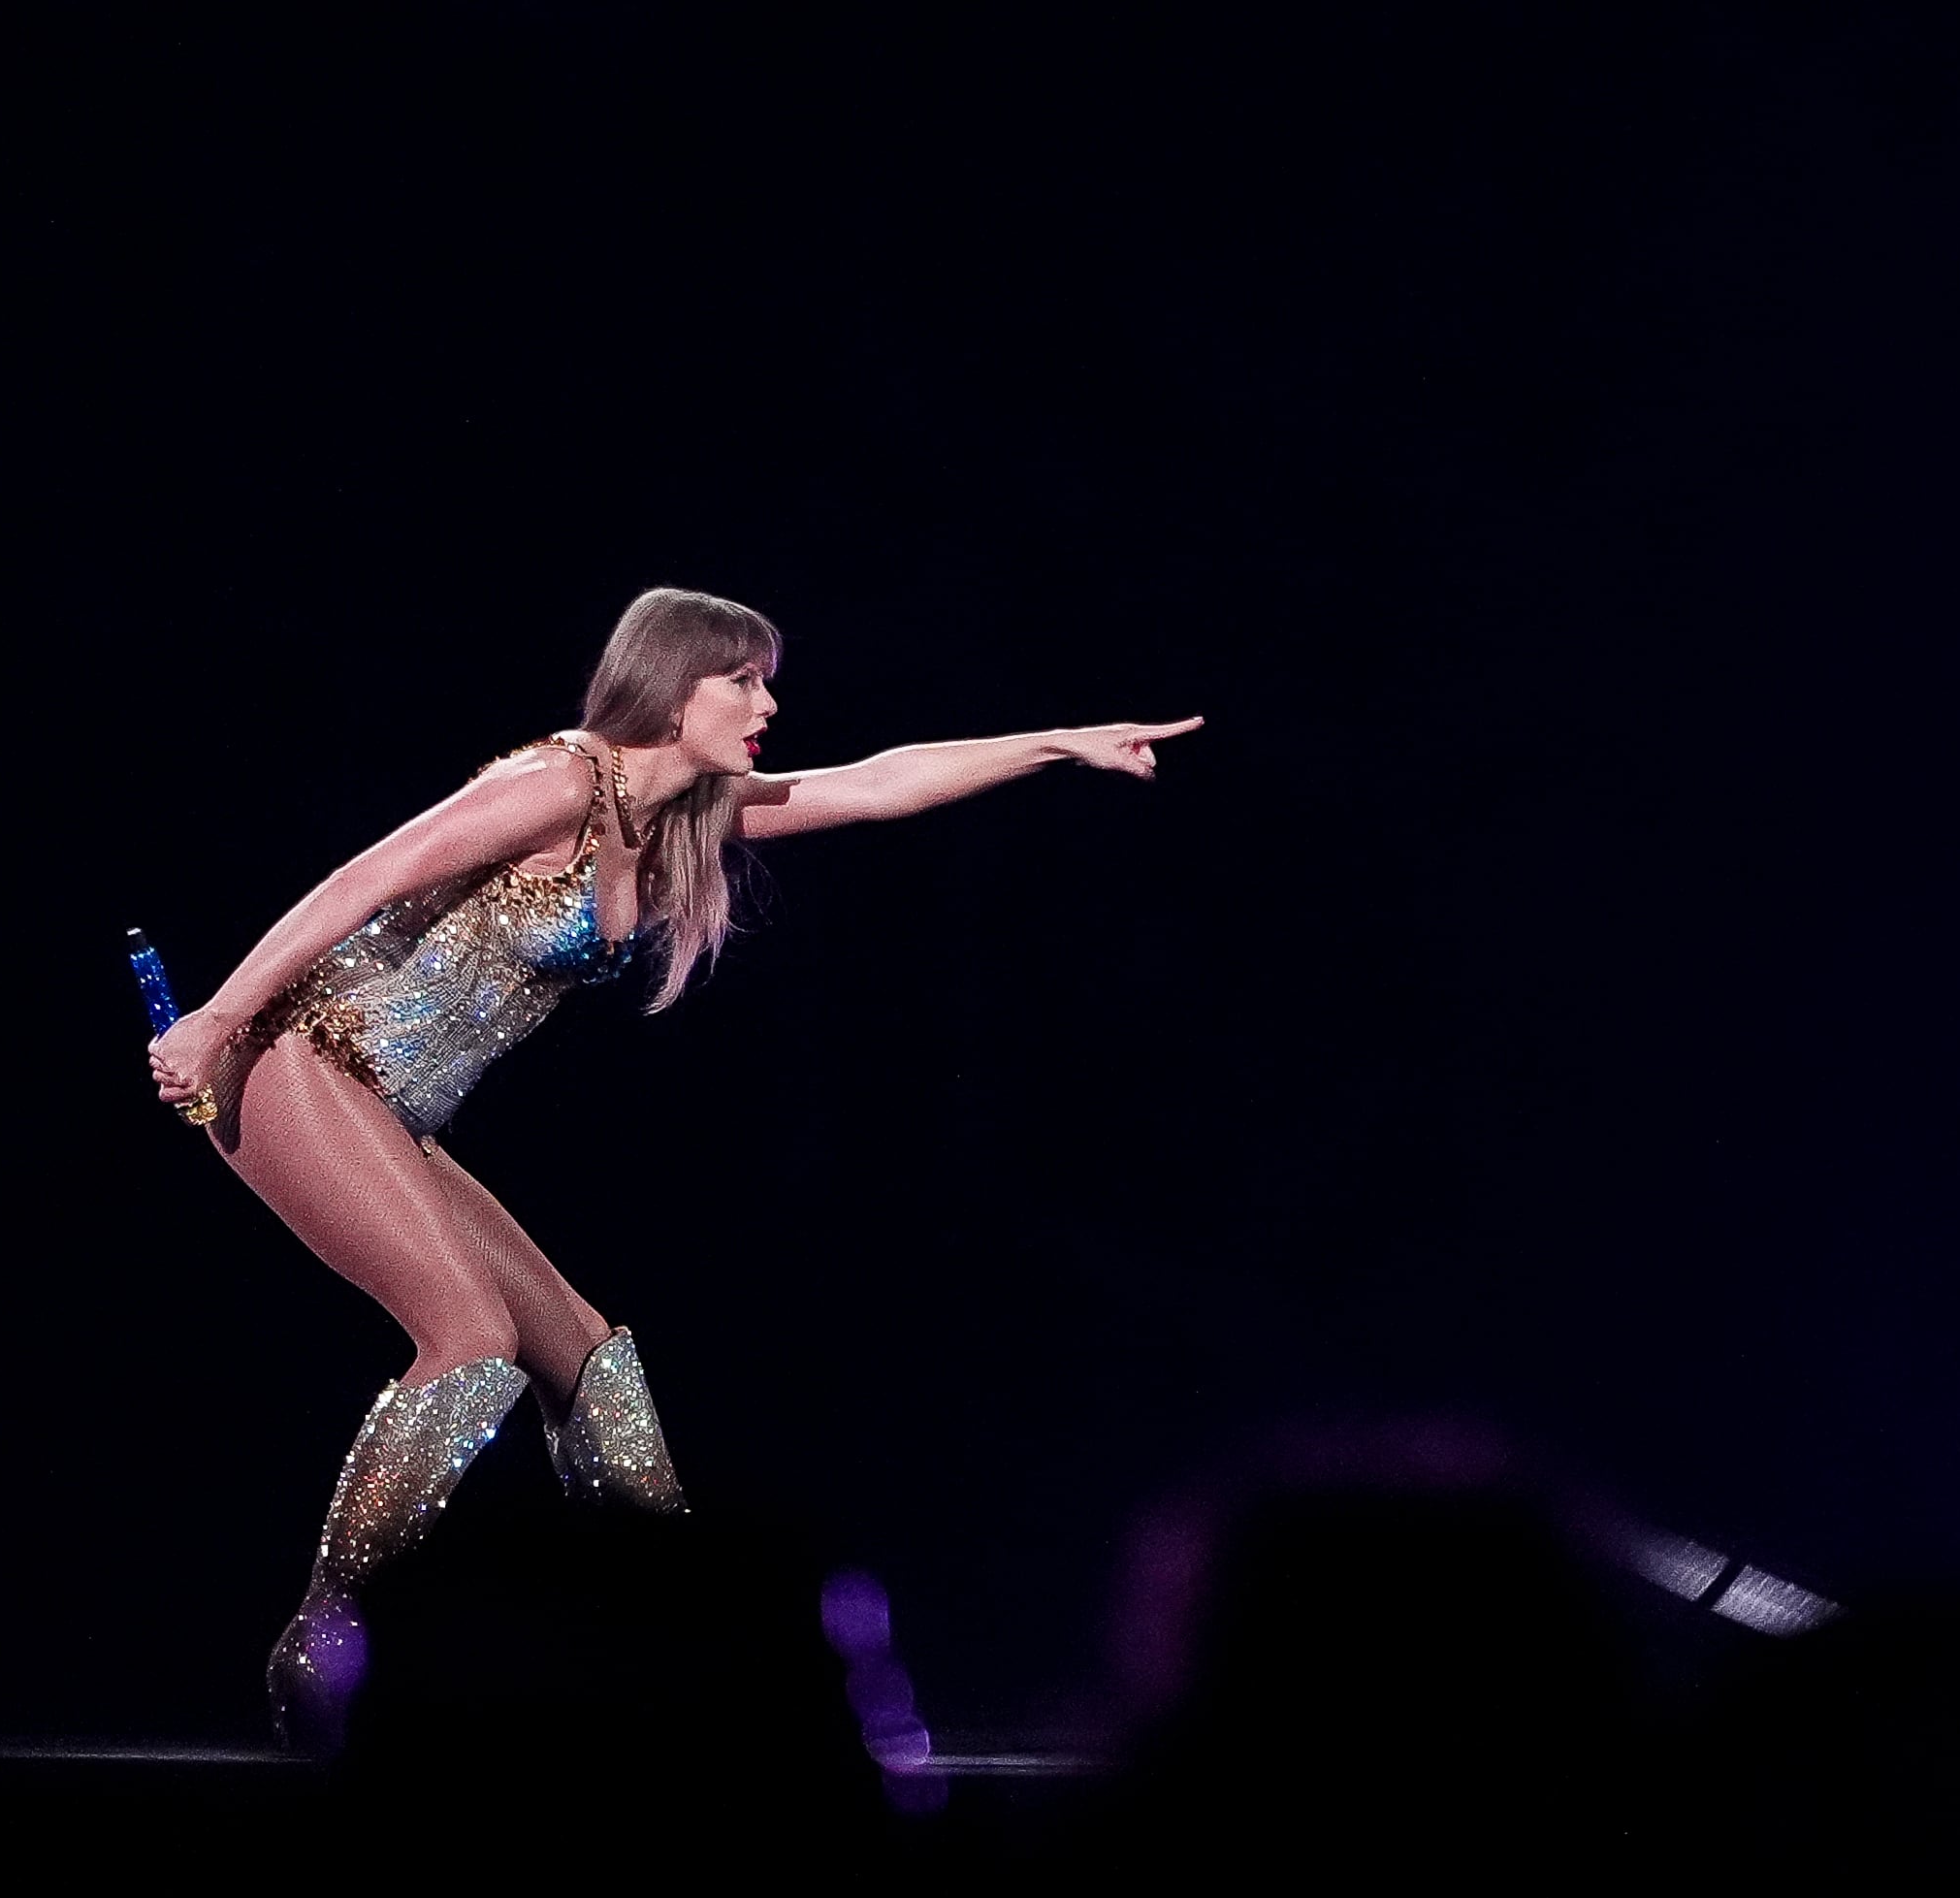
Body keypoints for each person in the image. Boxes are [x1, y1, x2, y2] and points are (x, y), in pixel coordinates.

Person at [147, 585, 1199, 1741]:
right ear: (670, 682)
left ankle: (672, 1664)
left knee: (594, 1367)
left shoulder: (683, 820)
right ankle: (326, 1653)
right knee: (474, 1341)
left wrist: (1054, 743)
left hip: (392, 1111)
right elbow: (363, 881)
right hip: (302, 1063)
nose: (768, 701)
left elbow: (869, 781)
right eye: (742, 679)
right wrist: (211, 1019)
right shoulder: (550, 783)